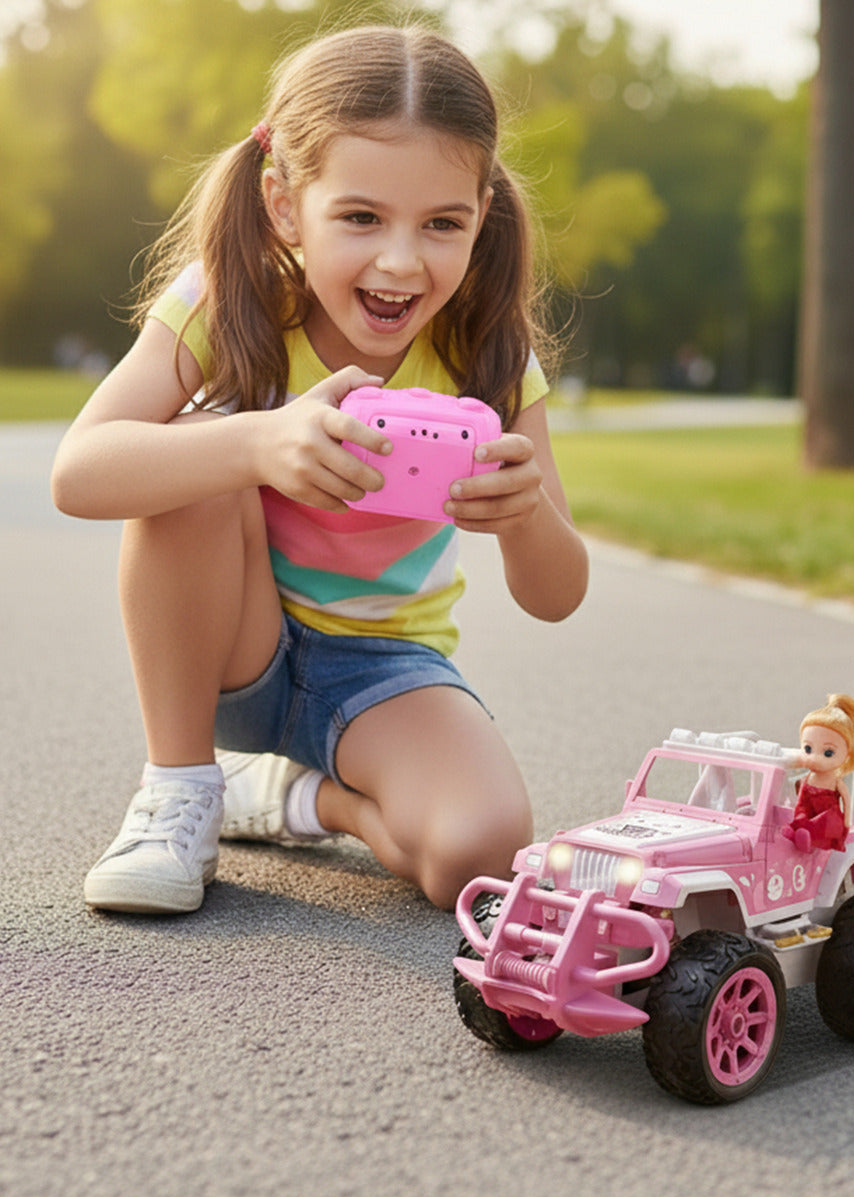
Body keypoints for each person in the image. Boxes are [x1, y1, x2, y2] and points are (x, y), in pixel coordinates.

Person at [50, 24, 589, 916]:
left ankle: (292, 798)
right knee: (194, 447)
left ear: (481, 216)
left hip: (386, 671)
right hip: (235, 653)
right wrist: (255, 443)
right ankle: (181, 790)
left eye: (442, 223)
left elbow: (557, 593)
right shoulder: (229, 306)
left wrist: (527, 514)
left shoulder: (489, 355)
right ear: (284, 206)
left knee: (480, 852)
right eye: (361, 217)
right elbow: (81, 472)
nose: (401, 261)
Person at [782, 694, 854, 853]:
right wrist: (799, 815)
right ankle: (799, 833)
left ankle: (805, 836)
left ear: (846, 755)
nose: (814, 759)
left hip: (828, 818)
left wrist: (847, 825)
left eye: (828, 753)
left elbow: (846, 802)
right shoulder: (808, 779)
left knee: (825, 821)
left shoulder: (836, 783)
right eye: (808, 749)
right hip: (809, 813)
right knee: (801, 816)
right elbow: (802, 802)